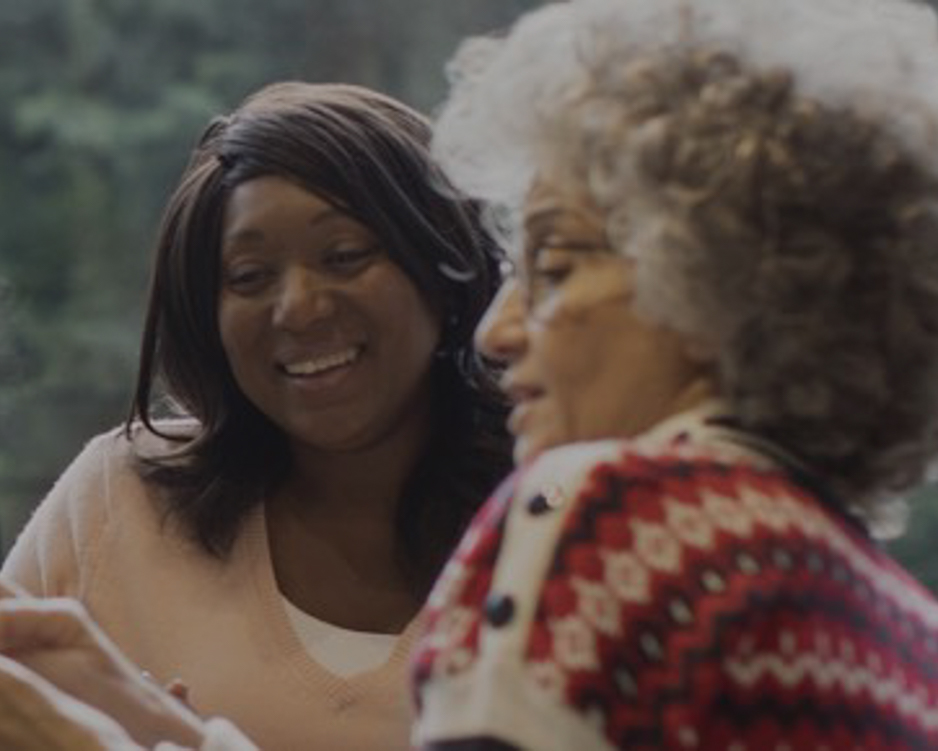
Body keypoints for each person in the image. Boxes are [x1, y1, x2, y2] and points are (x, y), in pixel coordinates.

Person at [409, 0, 938, 749]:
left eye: (555, 266)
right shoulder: (907, 629)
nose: (495, 332)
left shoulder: (607, 509)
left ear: (717, 287)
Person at [0, 81, 512, 750]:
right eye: (248, 276)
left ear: (444, 269)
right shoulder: (118, 502)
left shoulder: (562, 524)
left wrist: (162, 733)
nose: (298, 306)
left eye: (344, 256)